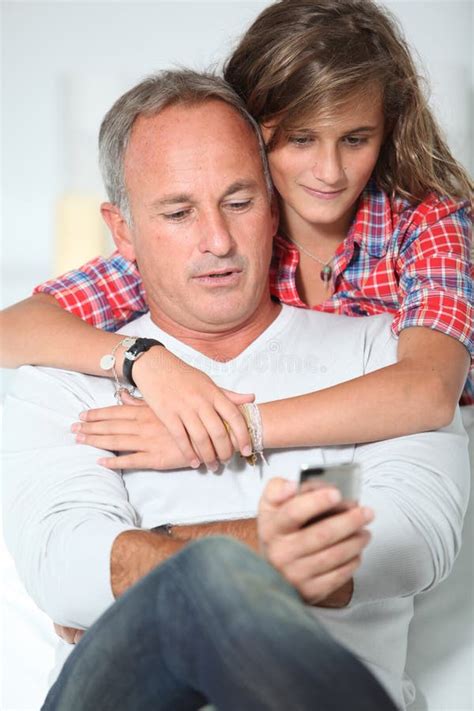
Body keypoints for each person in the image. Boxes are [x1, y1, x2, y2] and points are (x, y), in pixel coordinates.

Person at [2, 70, 469, 711]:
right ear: (124, 231)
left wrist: (169, 556)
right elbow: (67, 565)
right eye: (177, 212)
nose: (216, 240)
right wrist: (270, 549)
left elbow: (409, 541)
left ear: (274, 205)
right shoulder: (64, 380)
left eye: (239, 202)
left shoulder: (383, 357)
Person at [0, 0, 472, 473]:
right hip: (287, 473)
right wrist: (144, 360)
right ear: (252, 131)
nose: (330, 173)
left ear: (387, 131)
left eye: (355, 139)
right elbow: (12, 330)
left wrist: (230, 428)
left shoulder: (428, 223)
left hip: (427, 464)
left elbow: (429, 391)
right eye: (300, 139)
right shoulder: (230, 234)